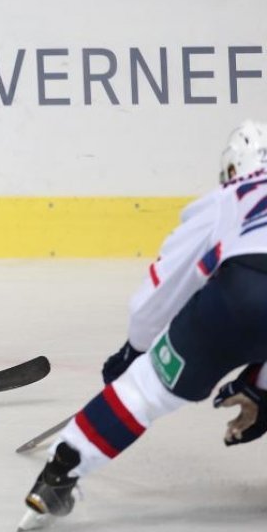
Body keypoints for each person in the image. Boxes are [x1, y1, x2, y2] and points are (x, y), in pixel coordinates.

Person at [18, 120, 267, 530]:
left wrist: (137, 350)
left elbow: (168, 281)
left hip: (239, 298)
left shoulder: (229, 197)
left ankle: (60, 474)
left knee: (145, 390)